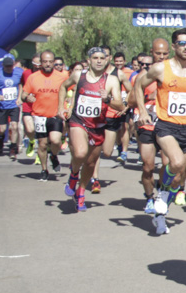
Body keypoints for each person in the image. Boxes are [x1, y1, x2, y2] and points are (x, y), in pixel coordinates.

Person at [134, 28, 186, 226]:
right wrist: (143, 111)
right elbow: (139, 85)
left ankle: (161, 210)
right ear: (174, 46)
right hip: (166, 126)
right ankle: (162, 191)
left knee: (180, 175)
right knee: (177, 163)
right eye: (182, 43)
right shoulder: (161, 68)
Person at [58, 48, 124, 211]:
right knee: (80, 153)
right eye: (95, 58)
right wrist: (60, 107)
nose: (99, 61)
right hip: (78, 121)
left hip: (98, 125)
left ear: (107, 60)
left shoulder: (111, 81)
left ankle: (80, 191)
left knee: (90, 163)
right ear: (89, 60)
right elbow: (63, 87)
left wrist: (107, 99)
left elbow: (120, 105)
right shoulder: (78, 76)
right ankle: (73, 174)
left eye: (102, 58)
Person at [133, 39, 170, 215]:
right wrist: (146, 104)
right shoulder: (144, 76)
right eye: (158, 53)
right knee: (148, 165)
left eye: (165, 54)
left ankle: (161, 193)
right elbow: (131, 99)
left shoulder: (172, 73)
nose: (161, 57)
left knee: (167, 163)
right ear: (151, 53)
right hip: (147, 124)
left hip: (167, 125)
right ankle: (149, 198)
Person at [21, 51, 68, 181]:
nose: (48, 64)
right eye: (45, 61)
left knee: (56, 140)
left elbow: (74, 90)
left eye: (50, 61)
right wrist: (27, 98)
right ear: (40, 63)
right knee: (42, 144)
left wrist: (69, 105)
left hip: (55, 115)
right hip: (39, 116)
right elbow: (23, 95)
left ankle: (53, 155)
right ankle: (44, 169)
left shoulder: (62, 77)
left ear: (54, 62)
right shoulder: (33, 77)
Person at [0, 54, 23, 159]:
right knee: (2, 129)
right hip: (2, 105)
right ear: (3, 65)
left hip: (14, 105)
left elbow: (21, 84)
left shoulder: (18, 73)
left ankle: (13, 148)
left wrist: (19, 97)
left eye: (11, 66)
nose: (9, 69)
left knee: (14, 126)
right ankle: (0, 142)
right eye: (7, 67)